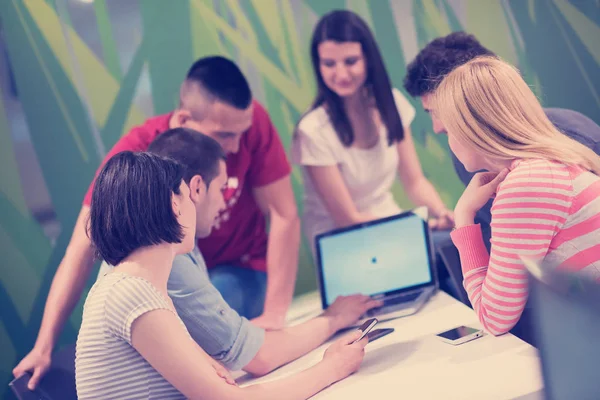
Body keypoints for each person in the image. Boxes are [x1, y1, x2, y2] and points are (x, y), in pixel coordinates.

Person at [14, 55, 300, 390]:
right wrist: (44, 344)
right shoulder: (136, 159)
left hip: (236, 268)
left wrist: (276, 315)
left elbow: (284, 214)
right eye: (223, 136)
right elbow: (81, 247)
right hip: (174, 281)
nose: (236, 147)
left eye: (242, 134)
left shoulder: (244, 122)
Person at [76, 150, 369, 399]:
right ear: (174, 205)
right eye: (187, 196)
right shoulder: (133, 293)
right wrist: (333, 367)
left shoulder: (134, 287)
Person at [143, 128, 379, 374]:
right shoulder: (170, 259)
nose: (223, 203)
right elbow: (261, 358)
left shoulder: (171, 246)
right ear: (197, 188)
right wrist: (334, 320)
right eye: (222, 189)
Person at [429, 56, 600, 337]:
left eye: (448, 130)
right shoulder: (549, 163)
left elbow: (494, 319)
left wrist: (463, 215)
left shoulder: (526, 184)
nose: (448, 142)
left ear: (471, 129)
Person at [403, 31, 600, 248]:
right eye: (430, 113)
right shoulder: (466, 159)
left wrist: (464, 217)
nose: (437, 127)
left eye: (439, 111)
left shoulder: (573, 136)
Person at [292, 10, 454, 257]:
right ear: (318, 65)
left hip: (390, 220)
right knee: (435, 252)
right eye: (329, 64)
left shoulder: (393, 104)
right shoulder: (312, 131)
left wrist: (441, 213)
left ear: (368, 58)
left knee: (451, 245)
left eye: (350, 61)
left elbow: (415, 182)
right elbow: (347, 219)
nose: (341, 74)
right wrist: (417, 228)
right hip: (342, 241)